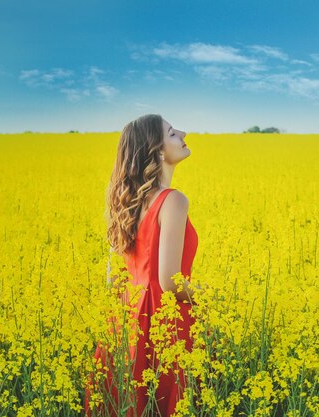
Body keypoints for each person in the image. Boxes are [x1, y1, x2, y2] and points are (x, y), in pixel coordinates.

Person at [85, 114, 200, 417]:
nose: (184, 133)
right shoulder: (172, 201)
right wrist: (206, 297)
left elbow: (113, 281)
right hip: (163, 320)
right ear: (157, 149)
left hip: (125, 320)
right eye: (173, 133)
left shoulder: (126, 203)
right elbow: (169, 281)